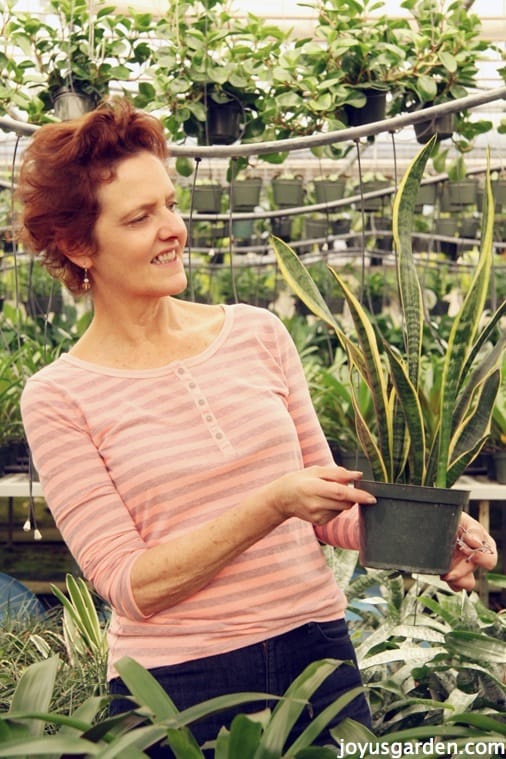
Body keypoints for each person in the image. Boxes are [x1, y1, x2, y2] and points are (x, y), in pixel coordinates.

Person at [18, 99, 497, 756]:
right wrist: (272, 502)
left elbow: (327, 508)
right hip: (180, 687)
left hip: (318, 657)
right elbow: (132, 585)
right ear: (78, 246)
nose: (173, 228)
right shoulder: (58, 396)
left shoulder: (257, 333)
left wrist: (431, 536)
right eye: (140, 217)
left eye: (171, 203)